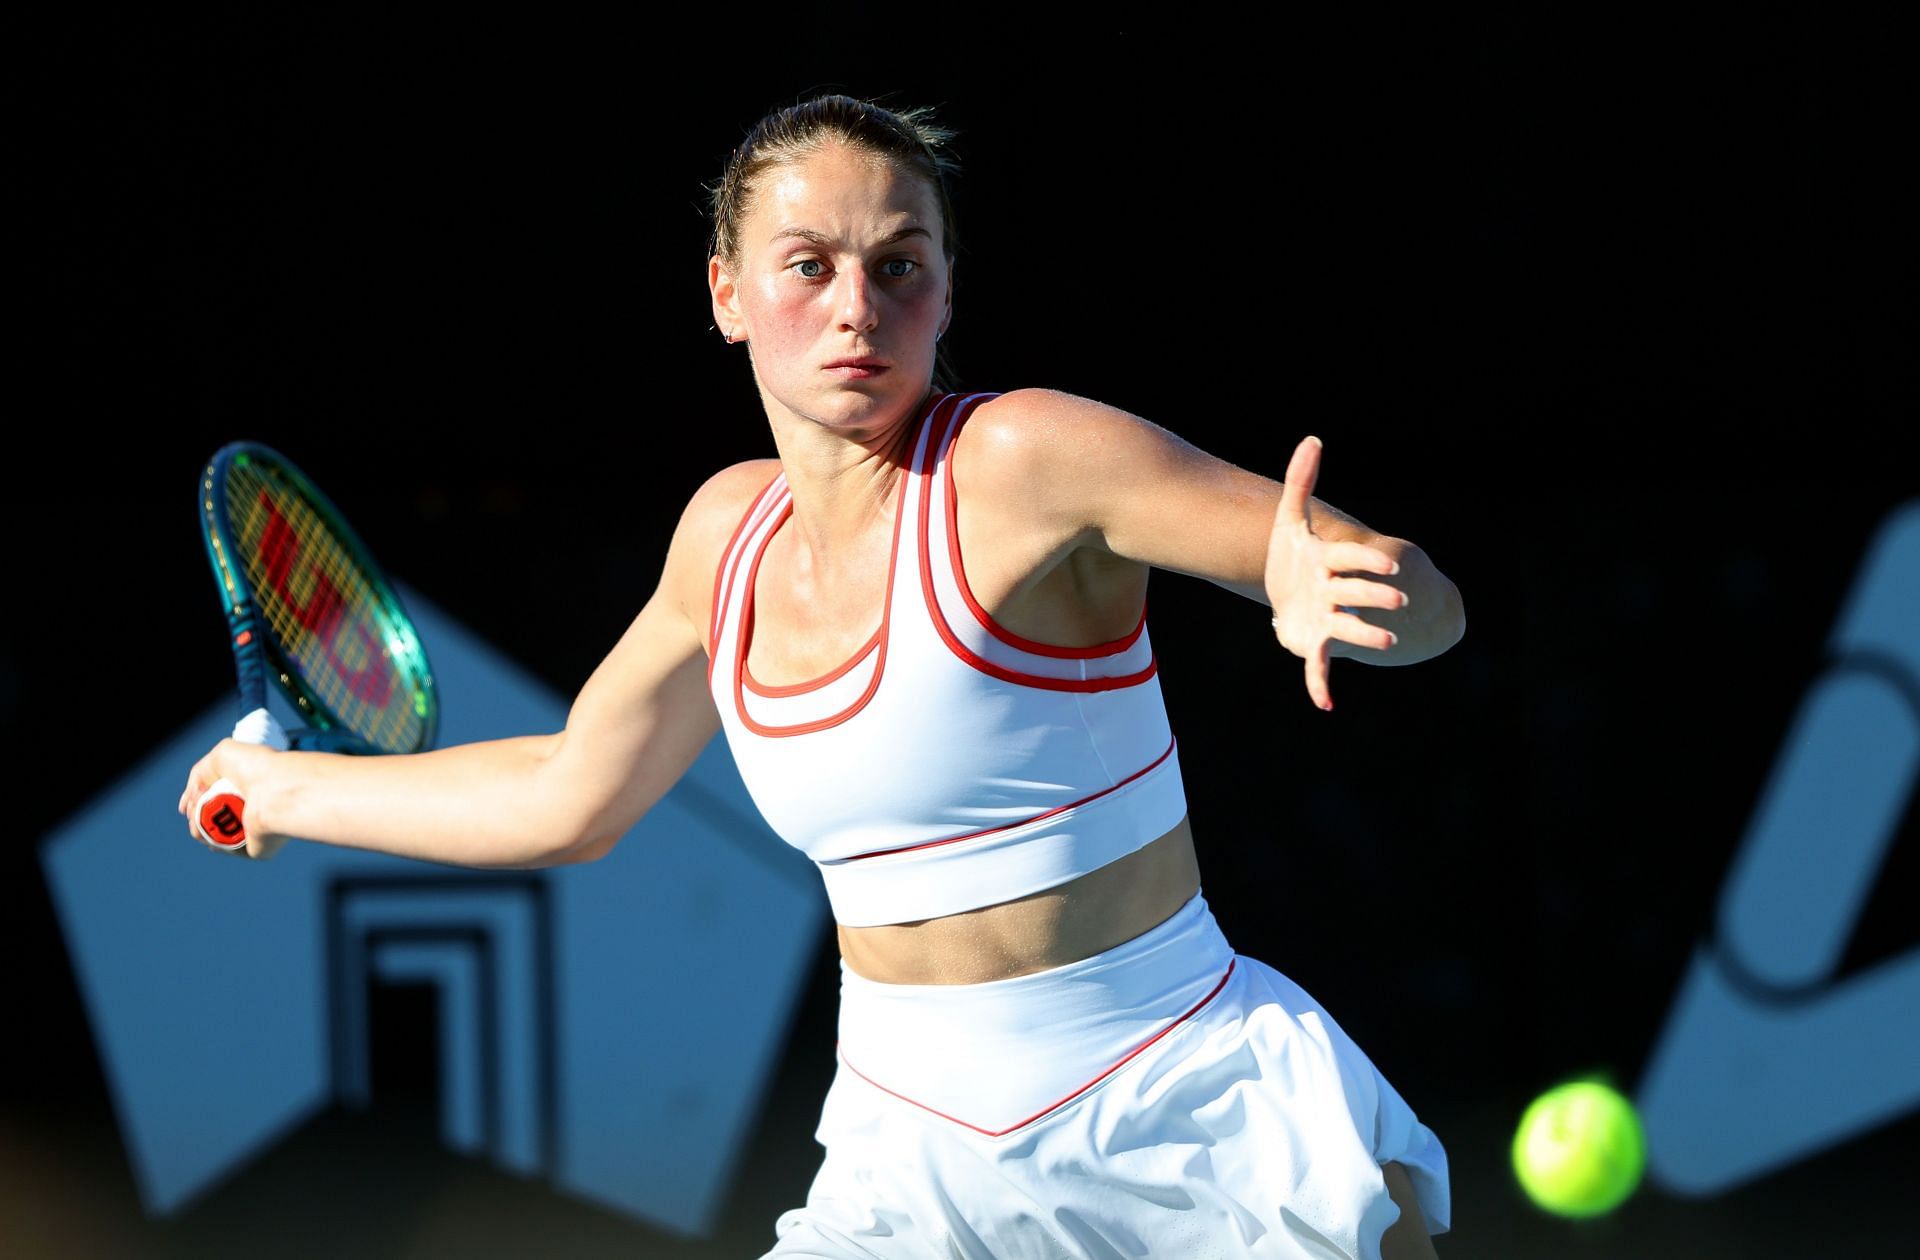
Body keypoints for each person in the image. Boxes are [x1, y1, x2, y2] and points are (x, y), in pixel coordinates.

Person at [181, 94, 1464, 1259]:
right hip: (901, 1157)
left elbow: (1415, 602)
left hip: (1179, 1111)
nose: (857, 305)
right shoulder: (723, 539)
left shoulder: (1025, 460)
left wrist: (1348, 588)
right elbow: (571, 797)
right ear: (728, 291)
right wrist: (284, 795)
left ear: (946, 291)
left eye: (899, 265)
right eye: (810, 266)